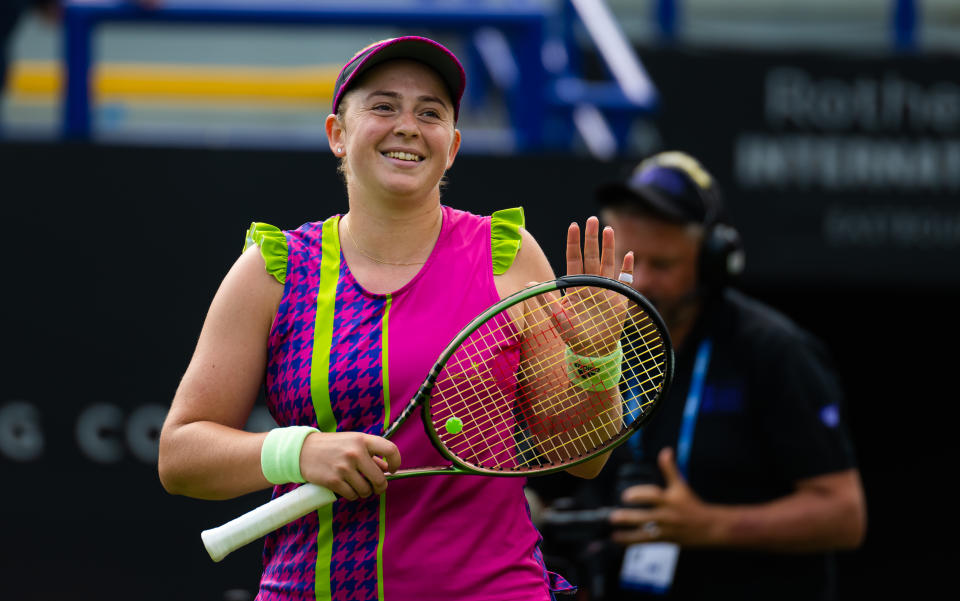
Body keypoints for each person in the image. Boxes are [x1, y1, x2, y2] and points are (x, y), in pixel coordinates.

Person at [158, 35, 633, 601]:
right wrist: (300, 452)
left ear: (451, 146)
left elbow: (580, 460)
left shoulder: (507, 255)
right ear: (337, 133)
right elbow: (181, 455)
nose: (408, 126)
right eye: (383, 106)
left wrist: (597, 360)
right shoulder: (273, 268)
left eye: (430, 113)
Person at [544, 151, 867, 600]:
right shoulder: (587, 347)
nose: (639, 284)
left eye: (663, 265)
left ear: (713, 262)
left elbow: (843, 515)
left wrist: (711, 526)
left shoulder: (774, 350)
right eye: (629, 265)